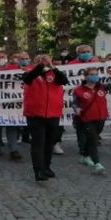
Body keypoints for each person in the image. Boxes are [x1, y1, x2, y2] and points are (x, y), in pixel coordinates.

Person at [22, 54, 69, 182]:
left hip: (53, 114)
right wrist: (41, 66)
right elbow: (28, 78)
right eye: (40, 61)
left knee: (49, 143)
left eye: (46, 60)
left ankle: (47, 166)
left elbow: (64, 80)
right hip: (35, 114)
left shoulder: (55, 74)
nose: (44, 62)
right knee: (38, 142)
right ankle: (38, 170)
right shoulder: (29, 72)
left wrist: (52, 67)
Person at [73, 67, 111, 174]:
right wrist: (77, 109)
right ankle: (97, 163)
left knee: (91, 139)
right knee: (94, 140)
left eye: (96, 74)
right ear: (86, 77)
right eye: (91, 74)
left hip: (101, 118)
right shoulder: (79, 90)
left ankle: (85, 156)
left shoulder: (102, 87)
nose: (95, 76)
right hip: (86, 119)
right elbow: (74, 103)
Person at [0, 49, 19, 155]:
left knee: (11, 125)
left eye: (2, 57)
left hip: (9, 104)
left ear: (6, 58)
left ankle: (14, 149)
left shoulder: (14, 69)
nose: (0, 59)